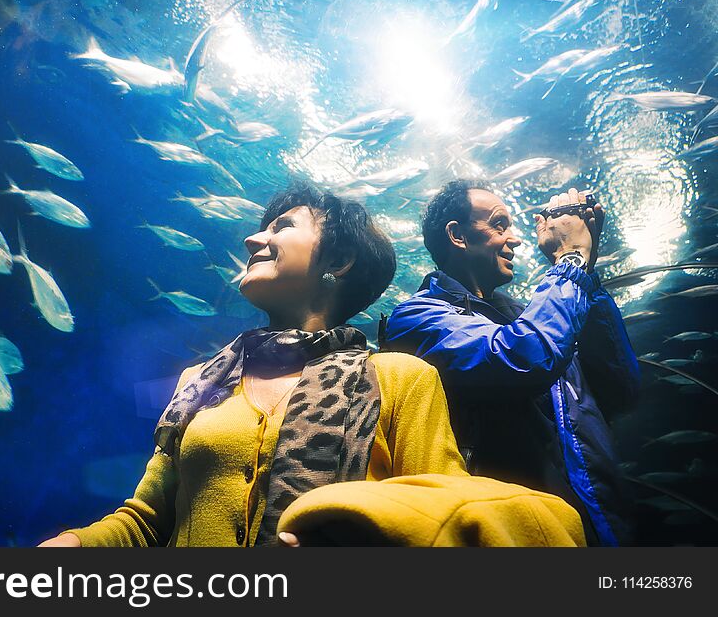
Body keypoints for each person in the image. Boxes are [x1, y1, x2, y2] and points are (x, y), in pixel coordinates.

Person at [39, 181, 585, 547]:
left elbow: (439, 522)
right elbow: (145, 520)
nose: (256, 237)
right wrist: (76, 543)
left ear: (339, 261)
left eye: (282, 227)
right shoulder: (200, 383)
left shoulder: (399, 377)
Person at [382, 179, 640, 546]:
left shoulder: (530, 316)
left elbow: (621, 390)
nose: (515, 239)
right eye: (499, 224)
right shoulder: (417, 316)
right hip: (517, 535)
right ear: (457, 235)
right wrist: (570, 261)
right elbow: (522, 359)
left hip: (600, 527)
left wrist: (587, 275)